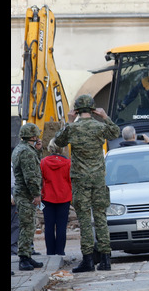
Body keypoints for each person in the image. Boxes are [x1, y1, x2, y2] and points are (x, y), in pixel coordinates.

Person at [54, 94, 121, 273]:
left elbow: (59, 142)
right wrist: (105, 117)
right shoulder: (99, 127)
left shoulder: (73, 128)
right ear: (92, 109)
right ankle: (106, 260)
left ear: (76, 110)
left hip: (80, 180)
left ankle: (88, 260)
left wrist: (68, 120)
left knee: (84, 220)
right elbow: (116, 133)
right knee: (100, 218)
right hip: (98, 179)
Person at [11, 123, 44, 271]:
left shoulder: (22, 149)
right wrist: (36, 194)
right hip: (26, 194)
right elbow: (30, 176)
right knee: (26, 226)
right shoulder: (26, 152)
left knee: (29, 225)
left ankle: (28, 255)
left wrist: (38, 150)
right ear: (32, 136)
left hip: (23, 193)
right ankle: (23, 258)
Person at [40, 140, 72, 256]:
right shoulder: (68, 163)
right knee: (61, 226)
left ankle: (50, 252)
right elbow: (70, 180)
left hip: (47, 197)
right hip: (64, 197)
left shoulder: (43, 162)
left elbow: (40, 180)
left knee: (48, 226)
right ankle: (60, 251)